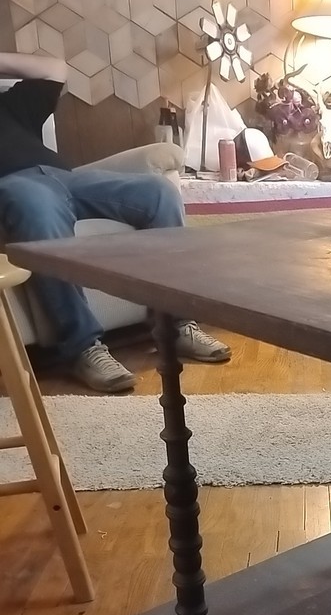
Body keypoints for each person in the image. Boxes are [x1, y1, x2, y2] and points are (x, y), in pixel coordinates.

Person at [0, 52, 231, 393]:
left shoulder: (11, 105)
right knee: (36, 203)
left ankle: (176, 323)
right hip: (12, 185)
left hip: (69, 178)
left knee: (159, 192)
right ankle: (81, 347)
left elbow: (54, 68)